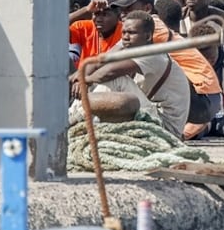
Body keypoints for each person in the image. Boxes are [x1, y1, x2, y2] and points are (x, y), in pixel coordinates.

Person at [77, 11, 191, 139]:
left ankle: (74, 121)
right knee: (92, 81)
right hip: (151, 114)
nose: (125, 37)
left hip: (166, 128)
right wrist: (77, 78)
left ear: (148, 36)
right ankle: (79, 121)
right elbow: (101, 61)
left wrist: (84, 80)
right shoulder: (132, 44)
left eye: (131, 33)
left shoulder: (152, 54)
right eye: (124, 32)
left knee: (116, 80)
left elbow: (109, 72)